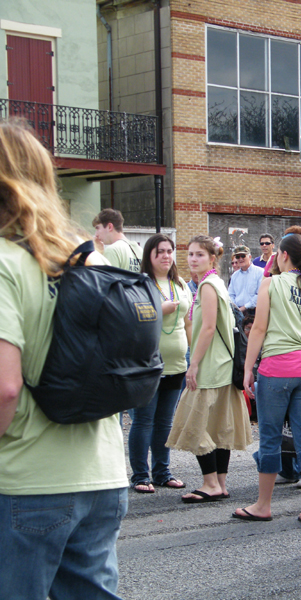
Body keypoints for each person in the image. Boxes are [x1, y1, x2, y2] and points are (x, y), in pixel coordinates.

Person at [0, 119, 129, 599]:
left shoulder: (4, 262)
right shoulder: (86, 259)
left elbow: (5, 387)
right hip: (101, 472)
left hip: (25, 479)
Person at [234, 232, 301, 523]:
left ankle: (263, 505)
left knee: (271, 438)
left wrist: (248, 368)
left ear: (283, 255)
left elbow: (259, 329)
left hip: (276, 370)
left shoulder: (271, 283)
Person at [166, 235, 252, 503]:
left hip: (211, 367)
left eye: (199, 255)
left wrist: (193, 364)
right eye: (190, 254)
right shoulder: (216, 283)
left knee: (196, 424)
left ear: (212, 258)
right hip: (223, 366)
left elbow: (207, 327)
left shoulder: (207, 286)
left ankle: (211, 483)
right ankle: (219, 483)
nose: (193, 259)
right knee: (220, 426)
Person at [129, 234, 192, 493]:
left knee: (166, 422)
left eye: (169, 251)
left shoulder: (180, 284)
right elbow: (130, 318)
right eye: (160, 252)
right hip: (148, 364)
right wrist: (158, 311)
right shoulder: (140, 284)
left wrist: (194, 354)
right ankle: (140, 476)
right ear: (149, 256)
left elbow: (188, 322)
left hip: (177, 363)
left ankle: (162, 472)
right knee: (144, 421)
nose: (166, 256)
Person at [92, 207, 142, 272]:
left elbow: (105, 280)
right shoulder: (140, 250)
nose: (96, 234)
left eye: (97, 228)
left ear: (110, 227)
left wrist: (97, 254)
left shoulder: (112, 251)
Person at [228, 245, 264, 314]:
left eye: (243, 256)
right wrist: (236, 308)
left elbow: (259, 294)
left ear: (249, 257)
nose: (240, 259)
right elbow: (231, 294)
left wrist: (244, 307)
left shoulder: (259, 272)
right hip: (237, 311)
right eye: (238, 257)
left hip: (254, 311)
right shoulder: (234, 276)